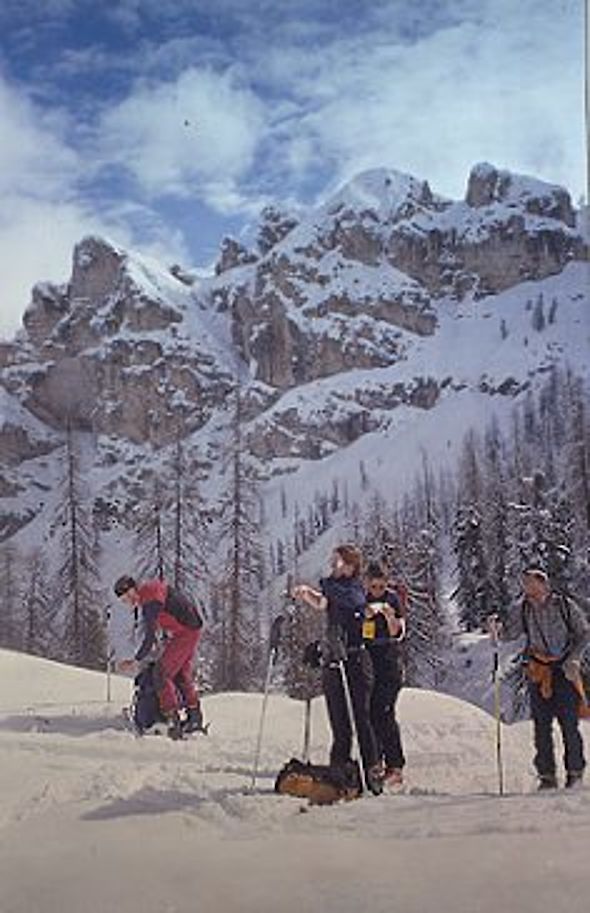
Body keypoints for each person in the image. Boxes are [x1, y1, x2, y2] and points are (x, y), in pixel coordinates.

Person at [292, 544, 383, 794]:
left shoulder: (353, 589)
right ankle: (339, 771)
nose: (333, 564)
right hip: (335, 659)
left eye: (339, 561)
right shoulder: (333, 588)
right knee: (339, 723)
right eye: (333, 560)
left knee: (361, 718)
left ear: (351, 566)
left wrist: (324, 586)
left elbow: (352, 601)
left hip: (355, 660)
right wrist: (306, 593)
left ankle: (371, 770)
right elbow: (322, 604)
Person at [489, 566, 590, 790]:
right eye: (524, 583)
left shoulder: (563, 606)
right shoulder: (524, 609)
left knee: (569, 724)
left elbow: (584, 632)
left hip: (564, 670)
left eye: (531, 583)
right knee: (541, 726)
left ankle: (575, 772)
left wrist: (574, 659)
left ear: (543, 583)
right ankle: (546, 776)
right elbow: (511, 634)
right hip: (538, 670)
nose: (527, 588)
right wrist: (497, 630)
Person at [114, 575, 204, 740]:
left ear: (133, 589)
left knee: (161, 674)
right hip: (187, 631)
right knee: (181, 675)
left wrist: (135, 660)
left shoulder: (149, 598)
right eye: (124, 600)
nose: (128, 601)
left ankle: (172, 721)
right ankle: (194, 719)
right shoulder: (150, 593)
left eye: (127, 597)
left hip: (185, 634)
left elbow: (149, 635)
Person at [363, 560, 406, 786]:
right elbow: (357, 632)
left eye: (381, 587)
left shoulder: (392, 599)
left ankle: (395, 764)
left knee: (384, 713)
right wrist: (365, 616)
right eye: (374, 587)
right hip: (368, 660)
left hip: (389, 660)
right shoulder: (362, 600)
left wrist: (389, 616)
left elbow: (398, 631)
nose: (377, 591)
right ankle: (375, 760)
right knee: (370, 713)